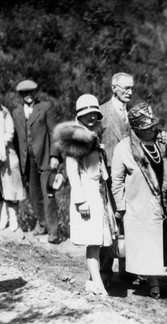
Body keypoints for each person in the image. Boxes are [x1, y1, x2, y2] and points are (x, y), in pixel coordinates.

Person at [112, 102, 167, 298]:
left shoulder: (161, 142)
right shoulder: (124, 148)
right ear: (137, 128)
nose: (152, 130)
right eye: (146, 128)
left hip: (166, 204)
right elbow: (117, 181)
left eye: (153, 126)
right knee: (150, 247)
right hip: (141, 207)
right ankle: (154, 283)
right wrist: (121, 208)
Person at [54, 94, 117, 296]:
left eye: (94, 114)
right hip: (87, 193)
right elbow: (72, 171)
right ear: (79, 115)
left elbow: (98, 164)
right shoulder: (75, 136)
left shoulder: (92, 134)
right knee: (93, 240)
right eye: (87, 114)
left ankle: (93, 280)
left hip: (99, 190)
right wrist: (81, 200)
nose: (91, 117)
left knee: (99, 239)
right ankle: (97, 282)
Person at [11, 79, 61, 243]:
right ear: (20, 95)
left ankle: (54, 231)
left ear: (35, 93)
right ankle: (42, 223)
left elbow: (55, 133)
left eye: (31, 92)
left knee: (48, 194)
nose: (29, 96)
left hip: (45, 157)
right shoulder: (16, 112)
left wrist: (54, 155)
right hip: (27, 160)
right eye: (25, 93)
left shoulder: (45, 107)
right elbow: (16, 138)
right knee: (34, 194)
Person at [99, 72, 134, 282]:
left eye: (131, 88)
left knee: (128, 222)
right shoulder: (101, 112)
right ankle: (104, 271)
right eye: (125, 88)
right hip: (109, 177)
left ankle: (127, 269)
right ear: (114, 88)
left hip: (131, 176)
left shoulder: (134, 113)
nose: (130, 92)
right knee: (110, 222)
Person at [0, 102, 26, 231]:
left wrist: (2, 146)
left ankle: (13, 217)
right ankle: (2, 216)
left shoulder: (4, 112)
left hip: (6, 152)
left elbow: (10, 132)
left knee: (11, 185)